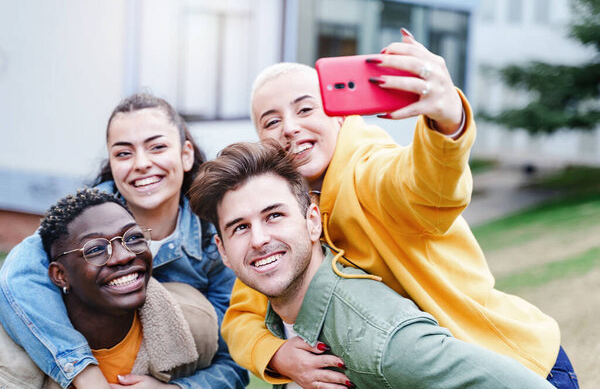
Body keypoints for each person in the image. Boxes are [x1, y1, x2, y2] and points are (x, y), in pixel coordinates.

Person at [220, 31, 578, 389]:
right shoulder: (280, 216)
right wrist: (278, 355)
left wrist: (447, 124)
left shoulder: (369, 169)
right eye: (271, 121)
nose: (291, 128)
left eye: (305, 108)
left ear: (340, 116)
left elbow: (426, 185)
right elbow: (240, 316)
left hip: (509, 366)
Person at [188, 141, 555, 389]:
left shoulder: (382, 341)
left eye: (274, 216)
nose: (258, 239)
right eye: (240, 227)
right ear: (221, 250)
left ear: (313, 221)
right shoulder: (276, 306)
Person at [0, 94, 248, 388]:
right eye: (123, 153)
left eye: (157, 147)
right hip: (85, 355)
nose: (141, 163)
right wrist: (83, 371)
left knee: (190, 310)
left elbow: (232, 358)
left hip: (162, 366)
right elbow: (17, 278)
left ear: (186, 155)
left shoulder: (213, 238)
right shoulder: (81, 215)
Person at [0, 188, 220, 388]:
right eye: (95, 249)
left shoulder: (195, 324)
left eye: (133, 237)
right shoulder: (11, 359)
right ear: (60, 275)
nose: (124, 256)